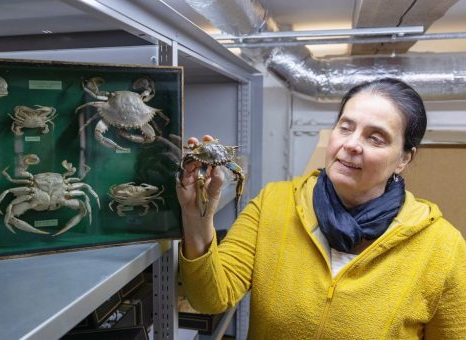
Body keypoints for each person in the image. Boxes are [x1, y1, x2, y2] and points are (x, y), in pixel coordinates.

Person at [176, 78, 466, 339]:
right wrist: (196, 216)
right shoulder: (273, 204)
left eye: (375, 138)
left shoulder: (442, 248)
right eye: (346, 127)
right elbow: (209, 298)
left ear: (404, 158)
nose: (352, 144)